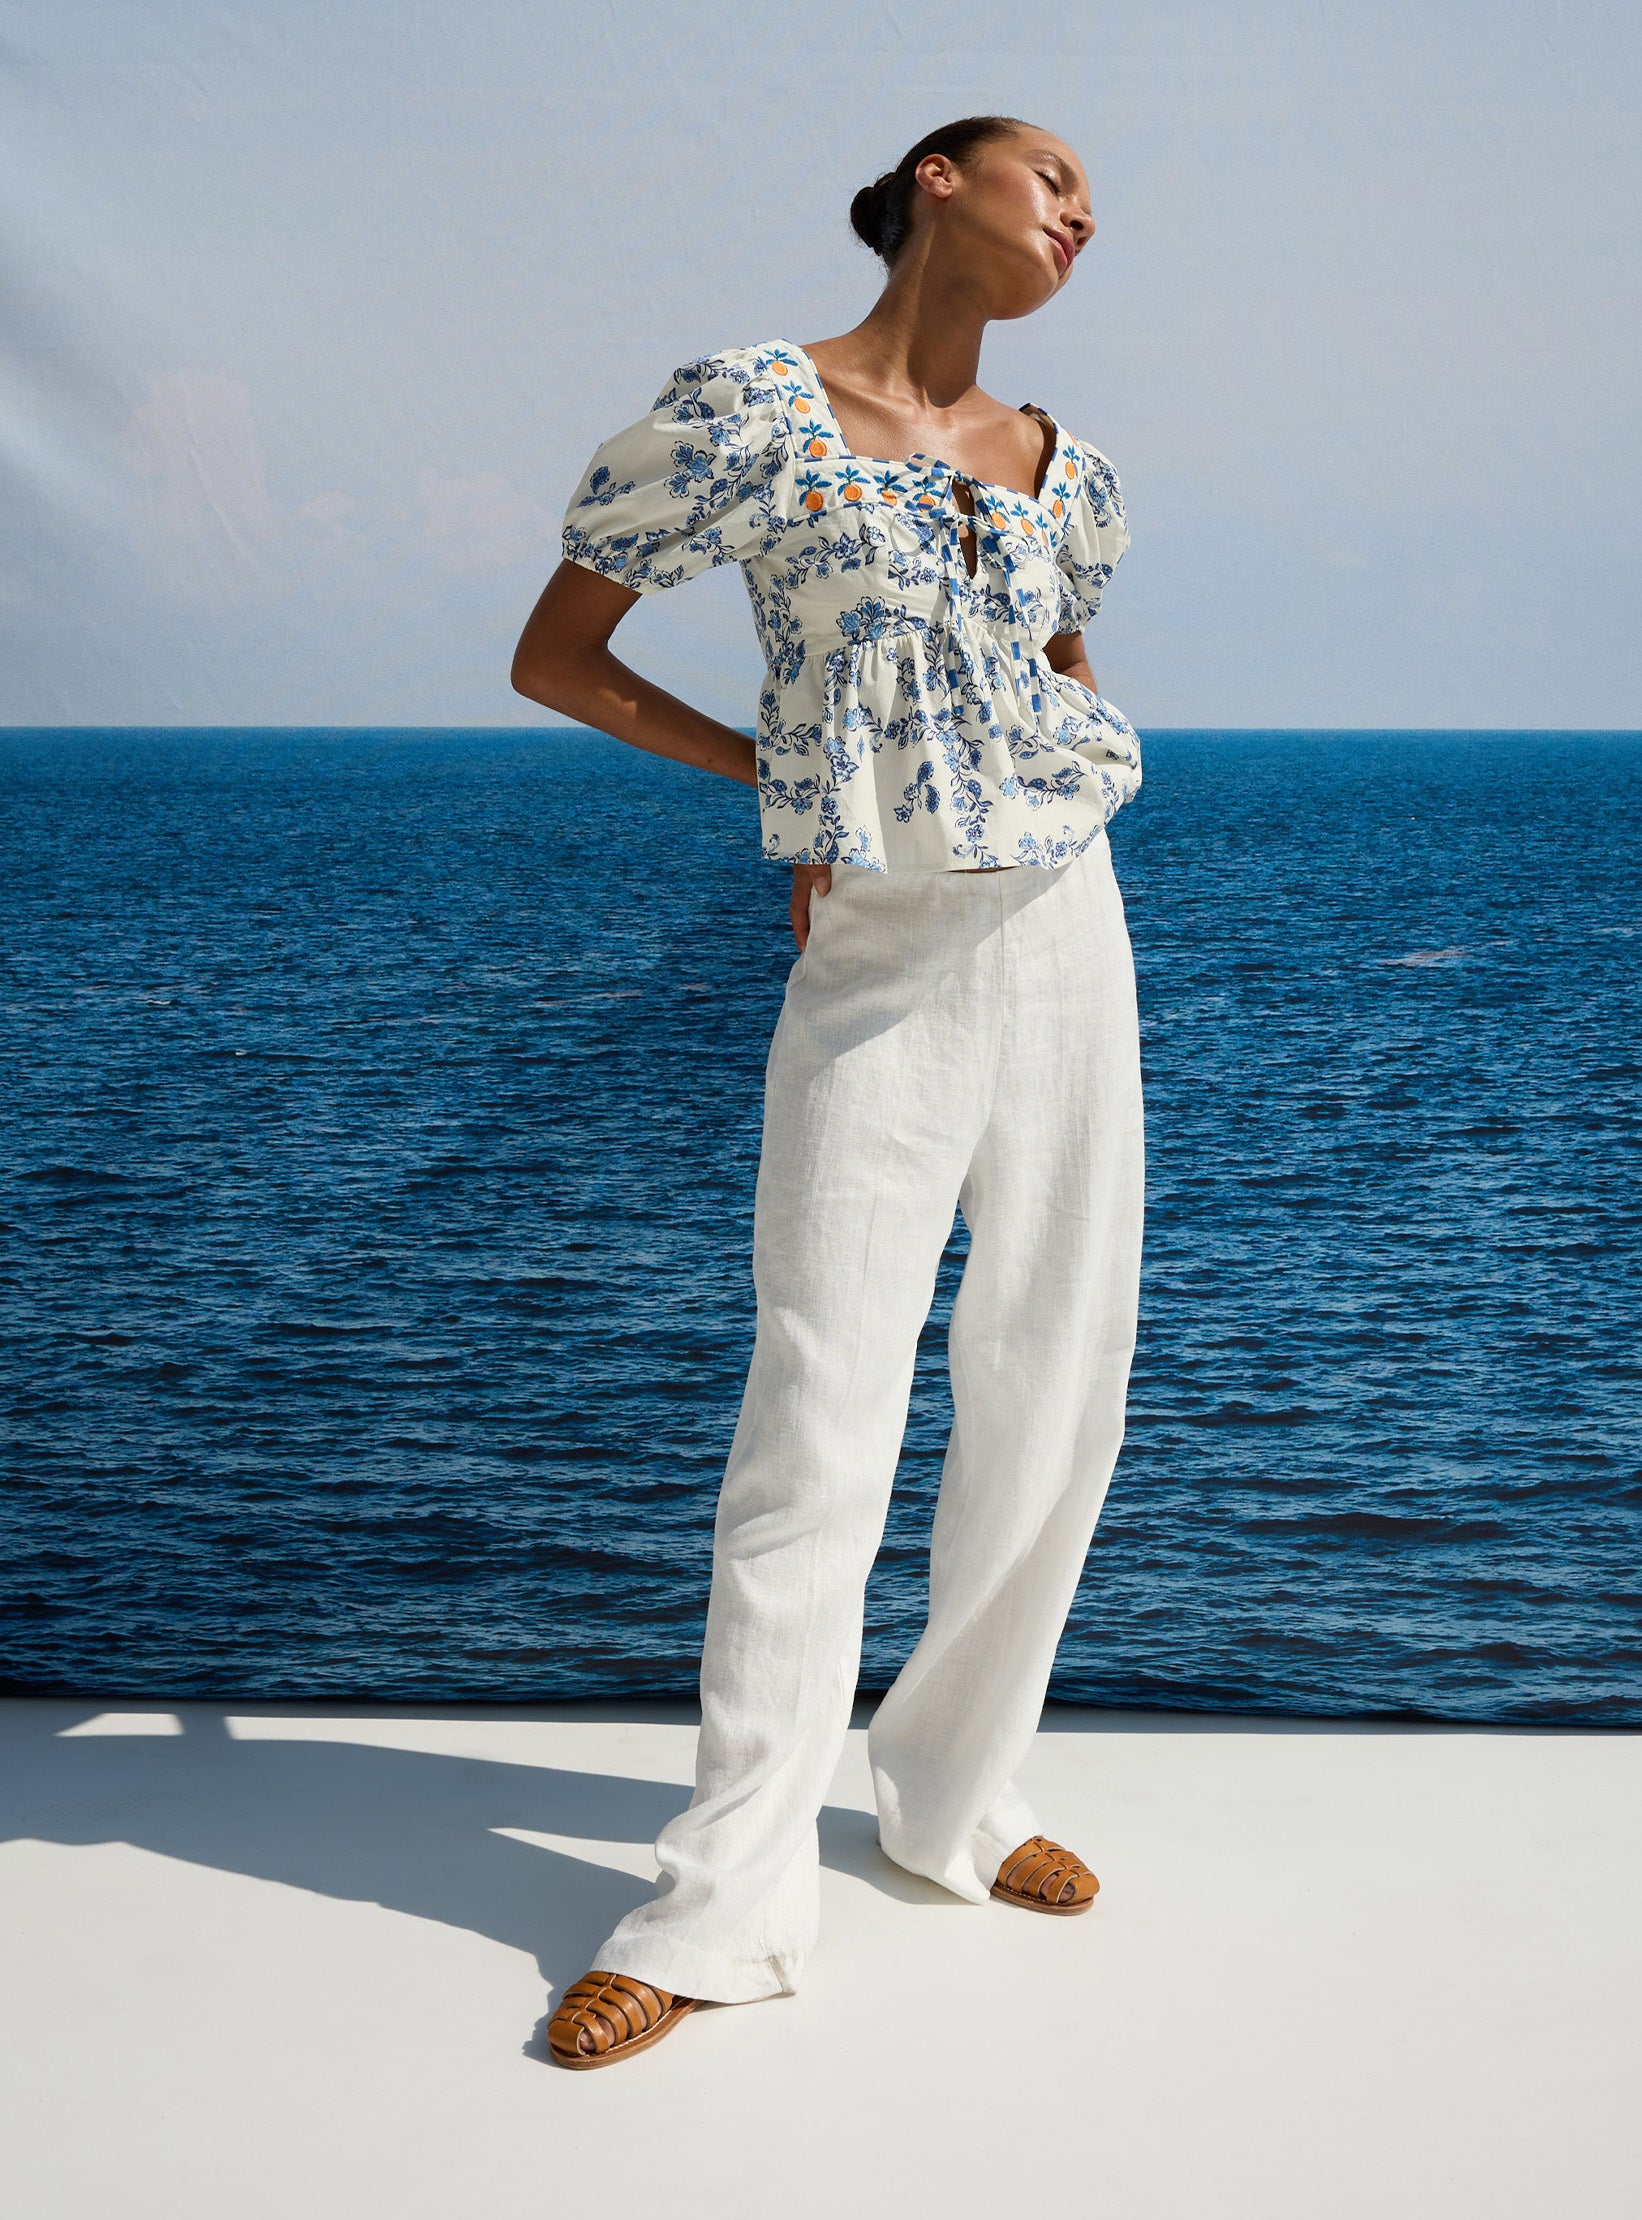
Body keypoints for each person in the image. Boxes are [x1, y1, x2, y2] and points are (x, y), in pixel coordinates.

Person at [507, 114, 1143, 2069]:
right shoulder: (745, 412)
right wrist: (793, 793)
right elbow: (562, 658)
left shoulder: (1065, 467)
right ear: (935, 180)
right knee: (821, 1410)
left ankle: (956, 1800)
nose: (1080, 215)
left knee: (1053, 1383)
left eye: (1096, 214)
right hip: (877, 956)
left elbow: (1057, 677)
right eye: (1051, 175)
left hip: (1068, 931)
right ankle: (721, 1903)